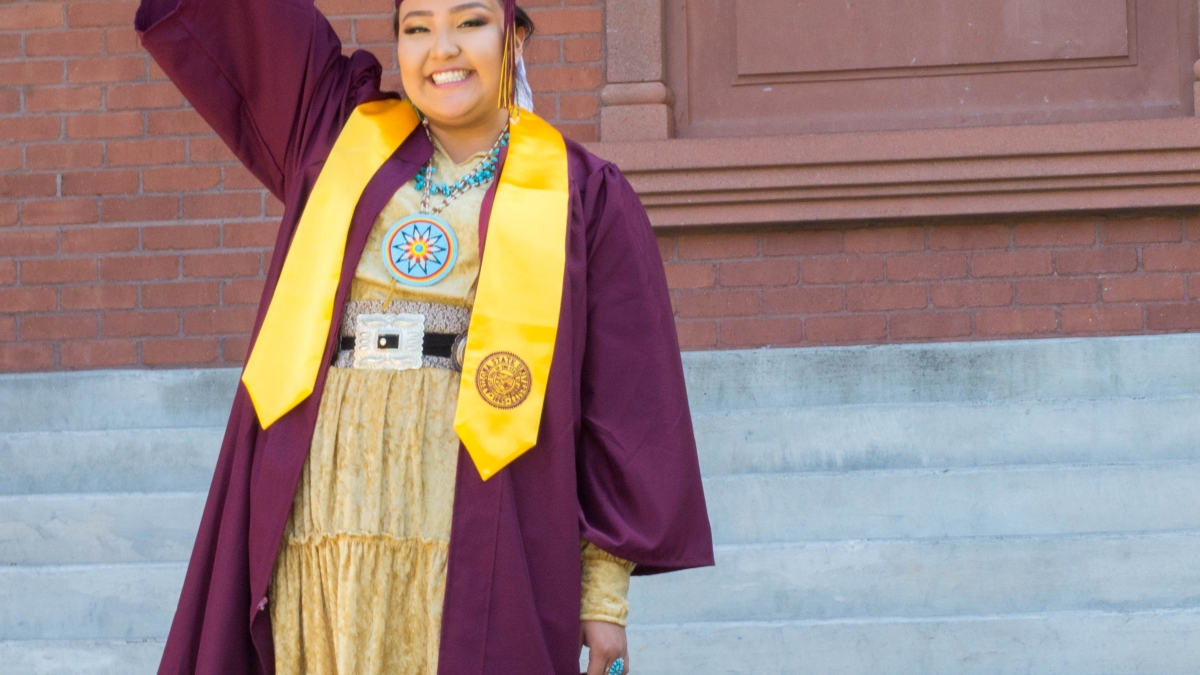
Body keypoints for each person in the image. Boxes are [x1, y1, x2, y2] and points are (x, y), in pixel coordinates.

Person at [134, 0, 713, 673]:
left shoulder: (585, 194)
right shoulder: (336, 133)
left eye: (470, 23)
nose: (441, 49)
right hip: (320, 514)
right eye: (416, 28)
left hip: (474, 510)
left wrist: (605, 598)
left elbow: (626, 405)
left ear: (515, 37)